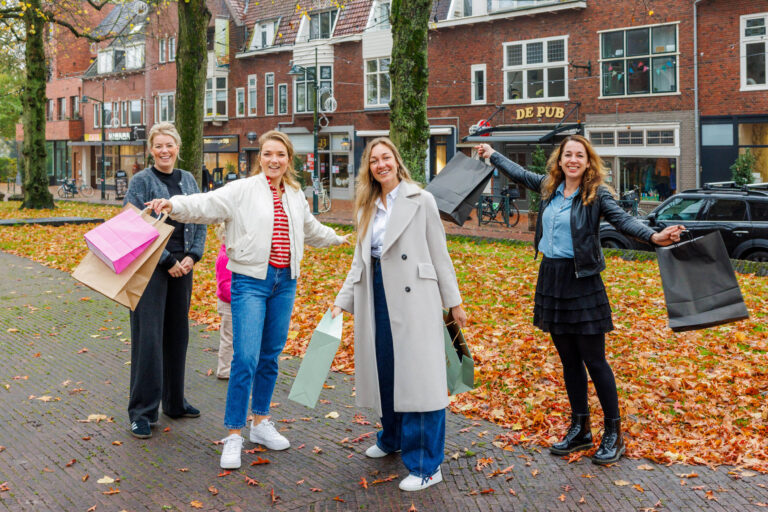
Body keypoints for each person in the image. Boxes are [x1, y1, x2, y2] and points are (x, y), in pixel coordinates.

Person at [146, 130, 350, 469]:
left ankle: (261, 422)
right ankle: (234, 434)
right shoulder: (242, 190)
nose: (274, 160)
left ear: (288, 160)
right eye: (268, 154)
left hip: (285, 282)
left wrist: (337, 238)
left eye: (281, 155)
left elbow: (311, 229)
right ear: (261, 158)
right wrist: (174, 205)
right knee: (246, 358)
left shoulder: (296, 194)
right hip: (250, 282)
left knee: (270, 356)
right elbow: (205, 205)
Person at [476, 136, 684, 465]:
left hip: (583, 281)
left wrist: (654, 236)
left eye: (580, 156)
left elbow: (623, 220)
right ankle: (580, 428)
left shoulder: (596, 194)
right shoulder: (548, 187)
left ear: (588, 162)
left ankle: (614, 434)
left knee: (594, 361)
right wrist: (492, 155)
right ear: (560, 161)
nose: (573, 160)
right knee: (569, 361)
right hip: (552, 278)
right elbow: (519, 173)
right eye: (568, 155)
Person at [332, 137, 467, 492]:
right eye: (374, 160)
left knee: (420, 379)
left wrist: (453, 301)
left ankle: (426, 465)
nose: (381, 164)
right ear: (369, 168)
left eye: (386, 157)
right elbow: (360, 262)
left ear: (397, 161)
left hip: (415, 296)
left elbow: (440, 253)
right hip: (376, 291)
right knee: (385, 368)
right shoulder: (365, 206)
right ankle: (391, 436)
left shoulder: (421, 200)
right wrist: (341, 300)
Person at [123, 122, 207, 439]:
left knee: (177, 335)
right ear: (151, 149)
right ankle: (142, 412)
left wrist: (192, 256)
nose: (164, 150)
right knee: (148, 339)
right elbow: (132, 224)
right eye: (158, 145)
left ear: (177, 147)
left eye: (169, 144)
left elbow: (200, 217)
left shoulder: (188, 179)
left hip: (183, 267)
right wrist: (167, 260)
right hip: (150, 269)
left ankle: (174, 401)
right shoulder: (141, 182)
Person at [215, 224, 233, 379]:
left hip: (232, 301)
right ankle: (224, 369)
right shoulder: (224, 257)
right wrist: (237, 298)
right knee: (228, 337)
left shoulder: (230, 255)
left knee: (233, 337)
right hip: (228, 303)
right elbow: (224, 284)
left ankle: (230, 366)